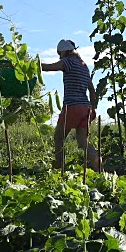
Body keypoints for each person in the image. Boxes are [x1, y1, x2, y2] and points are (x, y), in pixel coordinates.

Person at [41, 39, 101, 171]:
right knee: (83, 142)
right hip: (86, 108)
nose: (59, 57)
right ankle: (99, 168)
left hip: (72, 107)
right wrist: (93, 107)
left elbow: (48, 67)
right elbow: (92, 90)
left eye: (60, 54)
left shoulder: (68, 62)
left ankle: (60, 169)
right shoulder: (83, 66)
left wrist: (32, 65)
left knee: (59, 138)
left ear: (65, 52)